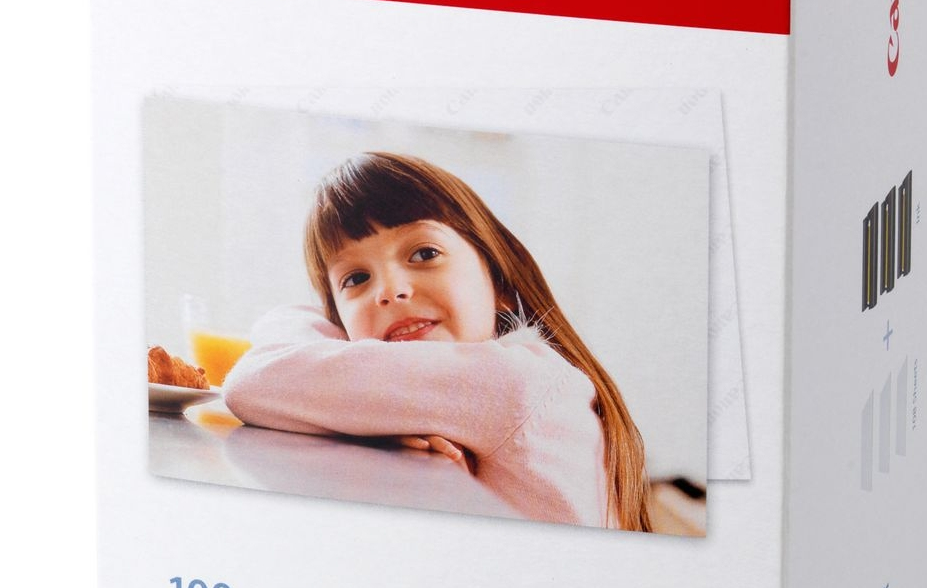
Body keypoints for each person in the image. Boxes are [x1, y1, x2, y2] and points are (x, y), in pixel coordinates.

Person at [223, 152, 651, 531]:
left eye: (424, 254)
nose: (390, 290)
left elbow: (253, 382)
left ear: (500, 282)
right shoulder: (481, 384)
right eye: (356, 279)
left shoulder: (512, 382)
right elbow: (288, 325)